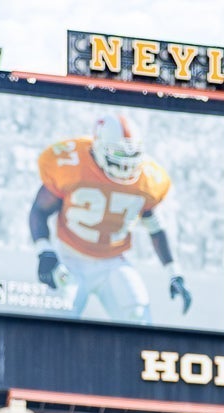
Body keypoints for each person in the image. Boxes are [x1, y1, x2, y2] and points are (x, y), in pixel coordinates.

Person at [29, 111, 191, 325]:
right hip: (69, 258)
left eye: (132, 157)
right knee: (55, 324)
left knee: (139, 318)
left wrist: (174, 272)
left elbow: (155, 226)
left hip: (113, 262)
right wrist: (45, 252)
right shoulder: (72, 164)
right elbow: (39, 210)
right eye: (119, 156)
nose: (126, 166)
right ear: (98, 148)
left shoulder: (147, 179)